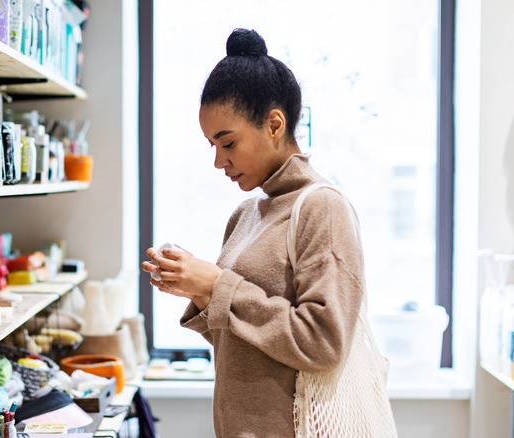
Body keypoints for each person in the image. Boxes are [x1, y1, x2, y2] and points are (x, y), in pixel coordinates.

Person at [141, 28, 388, 437]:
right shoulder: (246, 214)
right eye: (212, 146)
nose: (219, 161)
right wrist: (199, 291)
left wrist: (219, 284)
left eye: (228, 142)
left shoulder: (322, 207)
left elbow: (323, 343)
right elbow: (244, 345)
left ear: (274, 124)